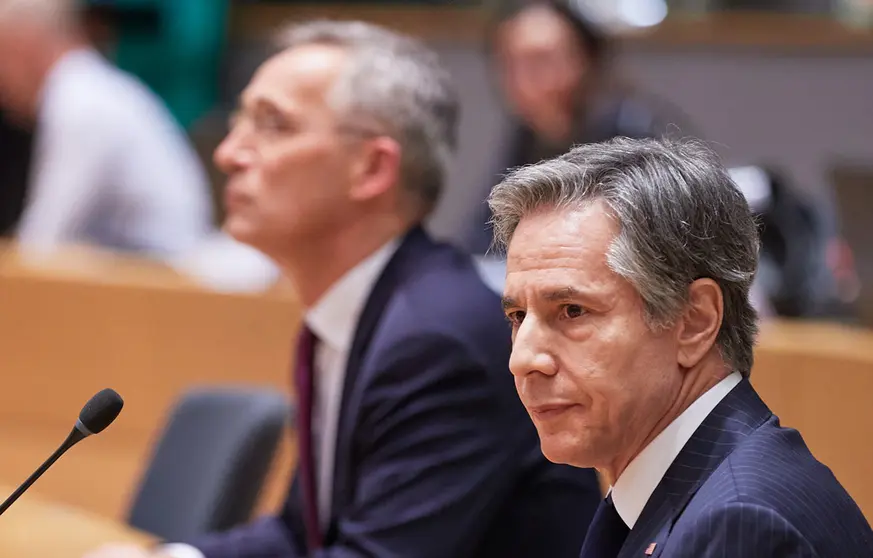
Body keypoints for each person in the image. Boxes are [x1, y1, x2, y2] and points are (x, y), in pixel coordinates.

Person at [85, 20, 601, 558]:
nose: (230, 154)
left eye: (272, 125)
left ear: (372, 168)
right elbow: (300, 532)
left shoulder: (437, 340)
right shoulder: (360, 312)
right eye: (238, 123)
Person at [489, 136, 873, 557]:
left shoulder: (741, 525)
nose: (522, 359)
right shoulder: (685, 494)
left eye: (573, 310)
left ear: (695, 322)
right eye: (518, 317)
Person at [465, 0, 690, 254]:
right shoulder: (527, 135)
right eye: (509, 63)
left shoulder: (637, 133)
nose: (522, 79)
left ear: (585, 60)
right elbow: (481, 239)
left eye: (540, 60)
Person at [0, 0, 213, 258]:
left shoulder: (80, 101)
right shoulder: (88, 88)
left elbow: (45, 239)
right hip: (148, 267)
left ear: (24, 42)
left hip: (164, 276)